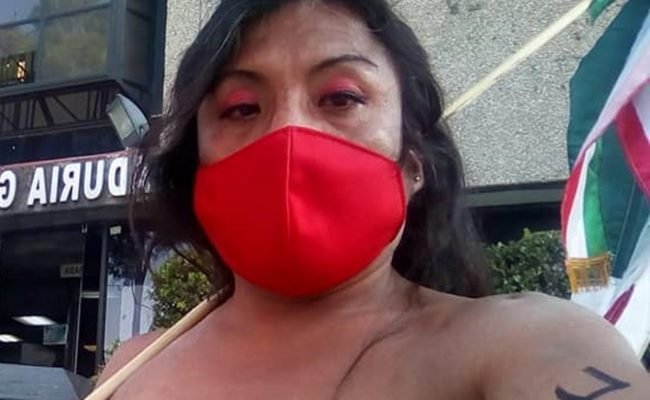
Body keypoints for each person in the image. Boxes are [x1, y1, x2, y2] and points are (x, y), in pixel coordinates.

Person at [97, 0, 650, 398]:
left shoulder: (516, 343)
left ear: (412, 165)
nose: (287, 134)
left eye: (341, 98)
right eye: (241, 108)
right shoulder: (133, 370)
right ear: (197, 167)